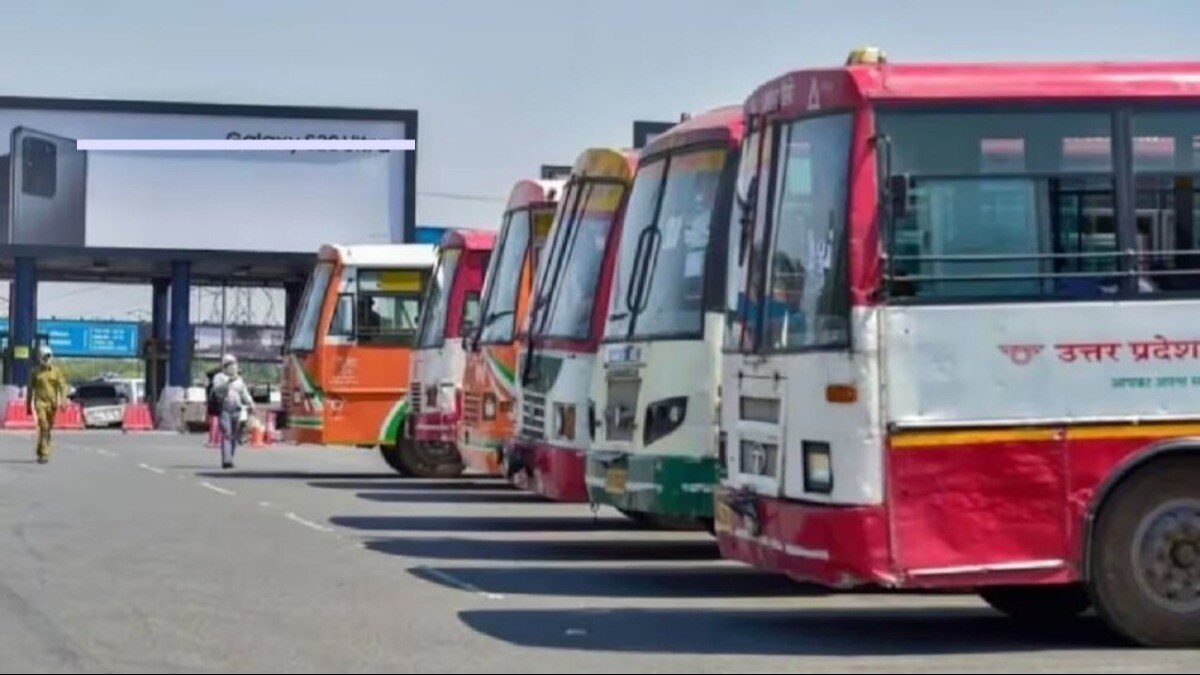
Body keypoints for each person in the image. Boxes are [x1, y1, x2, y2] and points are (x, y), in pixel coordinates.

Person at [211, 354, 255, 469]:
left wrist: (251, 403)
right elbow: (217, 390)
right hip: (224, 409)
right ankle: (227, 460)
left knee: (235, 435)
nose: (233, 367)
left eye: (234, 364)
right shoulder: (219, 377)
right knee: (227, 434)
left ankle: (230, 456)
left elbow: (244, 393)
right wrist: (229, 381)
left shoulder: (239, 380)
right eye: (230, 364)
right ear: (224, 366)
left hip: (237, 410)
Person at [27, 345, 69, 464]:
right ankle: (45, 453)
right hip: (40, 402)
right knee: (43, 425)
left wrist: (64, 401)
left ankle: (41, 450)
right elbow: (30, 389)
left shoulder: (56, 372)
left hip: (52, 404)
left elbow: (62, 387)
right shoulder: (34, 372)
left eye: (48, 356)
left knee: (47, 428)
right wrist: (28, 406)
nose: (46, 359)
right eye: (44, 357)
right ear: (40, 357)